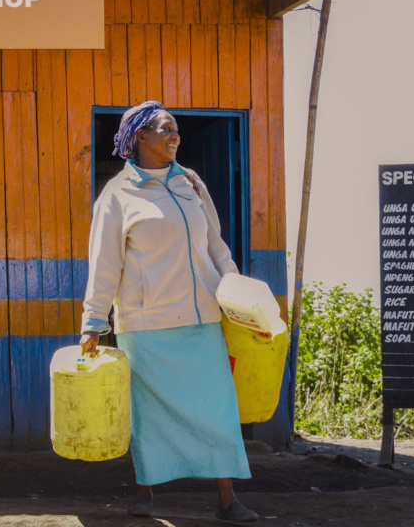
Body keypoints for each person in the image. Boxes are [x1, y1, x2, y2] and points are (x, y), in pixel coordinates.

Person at [79, 101, 258, 523]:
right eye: (163, 129)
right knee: (149, 415)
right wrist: (93, 321)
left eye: (175, 129)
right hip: (147, 324)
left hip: (202, 320)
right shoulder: (118, 195)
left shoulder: (190, 183)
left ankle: (227, 500)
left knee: (217, 410)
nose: (174, 135)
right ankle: (145, 495)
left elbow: (215, 245)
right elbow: (104, 262)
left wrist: (236, 296)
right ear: (139, 137)